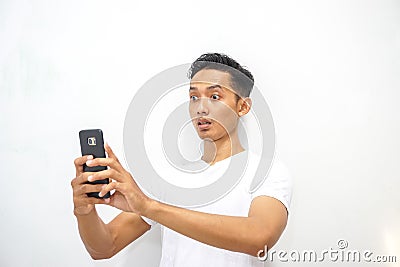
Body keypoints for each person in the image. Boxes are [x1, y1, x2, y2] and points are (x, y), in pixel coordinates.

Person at [71, 53, 292, 266]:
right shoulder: (172, 179)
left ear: (243, 106)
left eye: (215, 96)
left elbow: (259, 238)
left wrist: (149, 207)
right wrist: (84, 211)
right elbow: (104, 247)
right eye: (193, 97)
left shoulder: (267, 172)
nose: (201, 108)